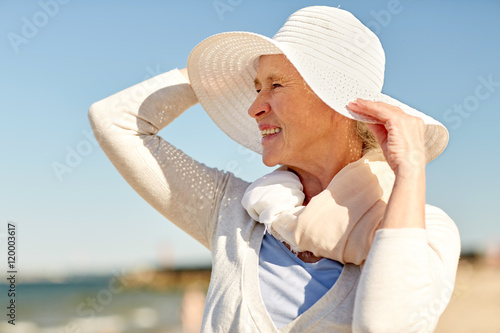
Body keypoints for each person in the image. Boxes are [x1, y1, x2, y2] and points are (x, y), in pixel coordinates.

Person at [88, 6, 460, 332]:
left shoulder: (425, 230)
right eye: (254, 87)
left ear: (340, 105)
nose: (254, 108)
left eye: (276, 85)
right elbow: (113, 121)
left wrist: (410, 169)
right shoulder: (235, 213)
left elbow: (385, 325)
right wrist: (204, 77)